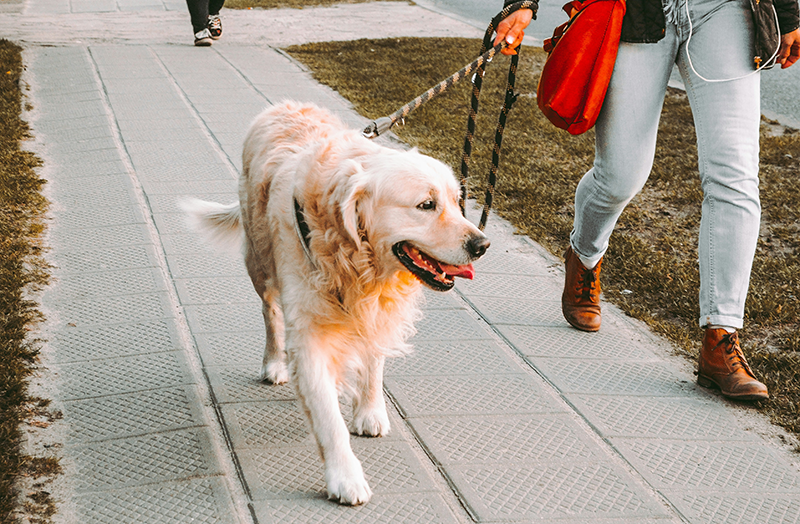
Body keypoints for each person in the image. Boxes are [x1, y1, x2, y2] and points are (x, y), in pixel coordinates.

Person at [495, 0, 800, 401]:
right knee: (620, 175)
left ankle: (721, 337)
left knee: (735, 176)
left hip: (725, 10)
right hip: (638, 11)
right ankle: (584, 254)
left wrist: (790, 15)